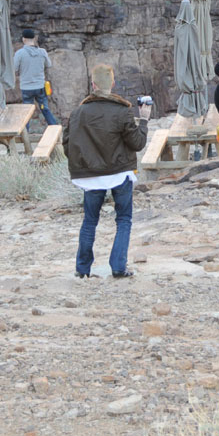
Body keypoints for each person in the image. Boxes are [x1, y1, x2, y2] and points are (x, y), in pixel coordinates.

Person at [63, 64, 150, 279]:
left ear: (93, 85)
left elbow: (67, 144)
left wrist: (84, 163)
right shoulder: (122, 111)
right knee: (123, 220)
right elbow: (138, 143)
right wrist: (144, 119)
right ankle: (118, 267)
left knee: (90, 221)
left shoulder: (78, 112)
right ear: (112, 84)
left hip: (90, 177)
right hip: (119, 173)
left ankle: (82, 269)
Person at [13, 29, 58, 129]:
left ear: (23, 39)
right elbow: (49, 64)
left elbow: (14, 68)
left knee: (27, 112)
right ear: (34, 39)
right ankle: (55, 128)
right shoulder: (42, 52)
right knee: (45, 108)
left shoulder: (19, 53)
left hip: (26, 88)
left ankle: (25, 134)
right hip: (40, 87)